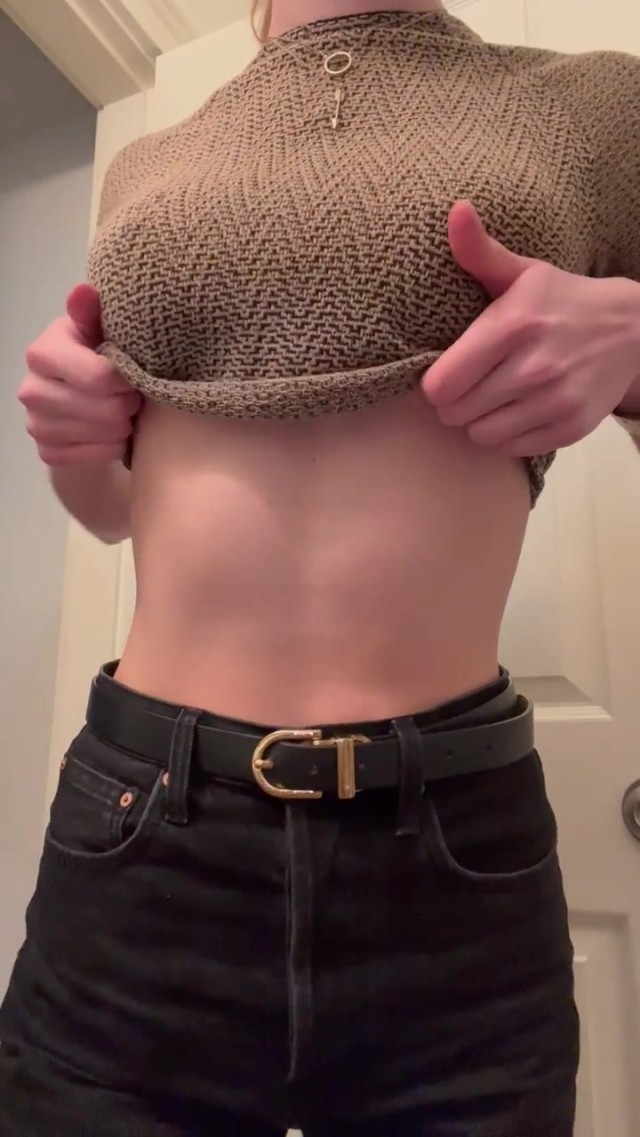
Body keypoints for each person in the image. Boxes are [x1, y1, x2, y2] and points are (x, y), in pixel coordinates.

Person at [2, 1, 640, 1134]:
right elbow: (115, 517)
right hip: (143, 835)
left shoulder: (596, 106)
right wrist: (74, 444)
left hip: (454, 860)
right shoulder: (151, 159)